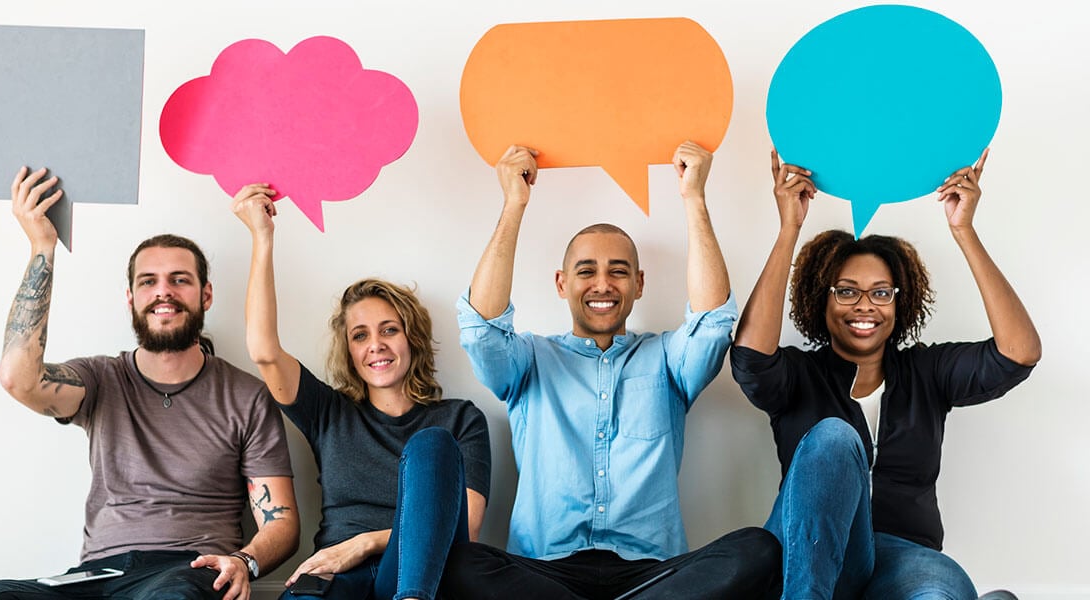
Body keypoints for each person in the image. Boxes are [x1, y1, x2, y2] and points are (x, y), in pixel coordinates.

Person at [442, 143, 781, 599]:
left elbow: (713, 322)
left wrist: (694, 197)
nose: (602, 284)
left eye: (618, 271)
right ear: (562, 284)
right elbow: (481, 330)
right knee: (457, 558)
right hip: (545, 573)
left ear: (639, 284)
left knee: (758, 549)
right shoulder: (528, 360)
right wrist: (514, 204)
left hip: (651, 575)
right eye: (587, 271)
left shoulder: (667, 359)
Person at [0, 168, 300, 600]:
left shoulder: (244, 395)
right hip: (96, 575)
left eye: (179, 280)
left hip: (188, 571)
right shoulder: (100, 380)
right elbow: (18, 378)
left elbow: (281, 522)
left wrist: (243, 561)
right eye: (148, 282)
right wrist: (43, 246)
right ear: (131, 299)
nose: (163, 292)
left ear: (206, 295)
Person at [731, 149, 1041, 598]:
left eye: (880, 292)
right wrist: (789, 229)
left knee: (945, 589)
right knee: (834, 437)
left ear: (899, 302)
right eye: (846, 291)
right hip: (810, 557)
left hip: (902, 560)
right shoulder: (800, 376)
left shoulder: (926, 373)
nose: (864, 306)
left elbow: (1019, 353)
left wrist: (964, 229)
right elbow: (751, 361)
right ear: (822, 300)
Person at [231, 184, 491, 600]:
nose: (376, 345)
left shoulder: (461, 419)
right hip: (335, 575)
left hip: (416, 573)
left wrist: (365, 542)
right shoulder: (328, 412)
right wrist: (262, 237)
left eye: (389, 330)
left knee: (432, 445)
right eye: (360, 335)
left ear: (413, 339)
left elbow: (468, 525)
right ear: (349, 351)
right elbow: (264, 352)